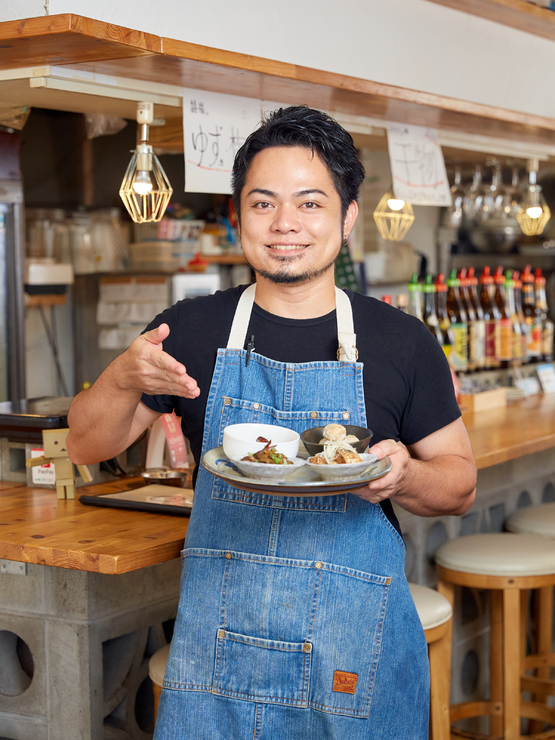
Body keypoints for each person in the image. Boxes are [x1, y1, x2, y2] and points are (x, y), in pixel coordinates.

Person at [67, 105, 476, 739]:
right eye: (263, 204)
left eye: (310, 203)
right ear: (238, 218)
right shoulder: (193, 329)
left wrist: (404, 475)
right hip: (222, 649)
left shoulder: (400, 341)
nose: (285, 224)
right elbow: (84, 442)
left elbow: (460, 484)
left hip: (352, 654)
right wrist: (122, 376)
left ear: (346, 218)